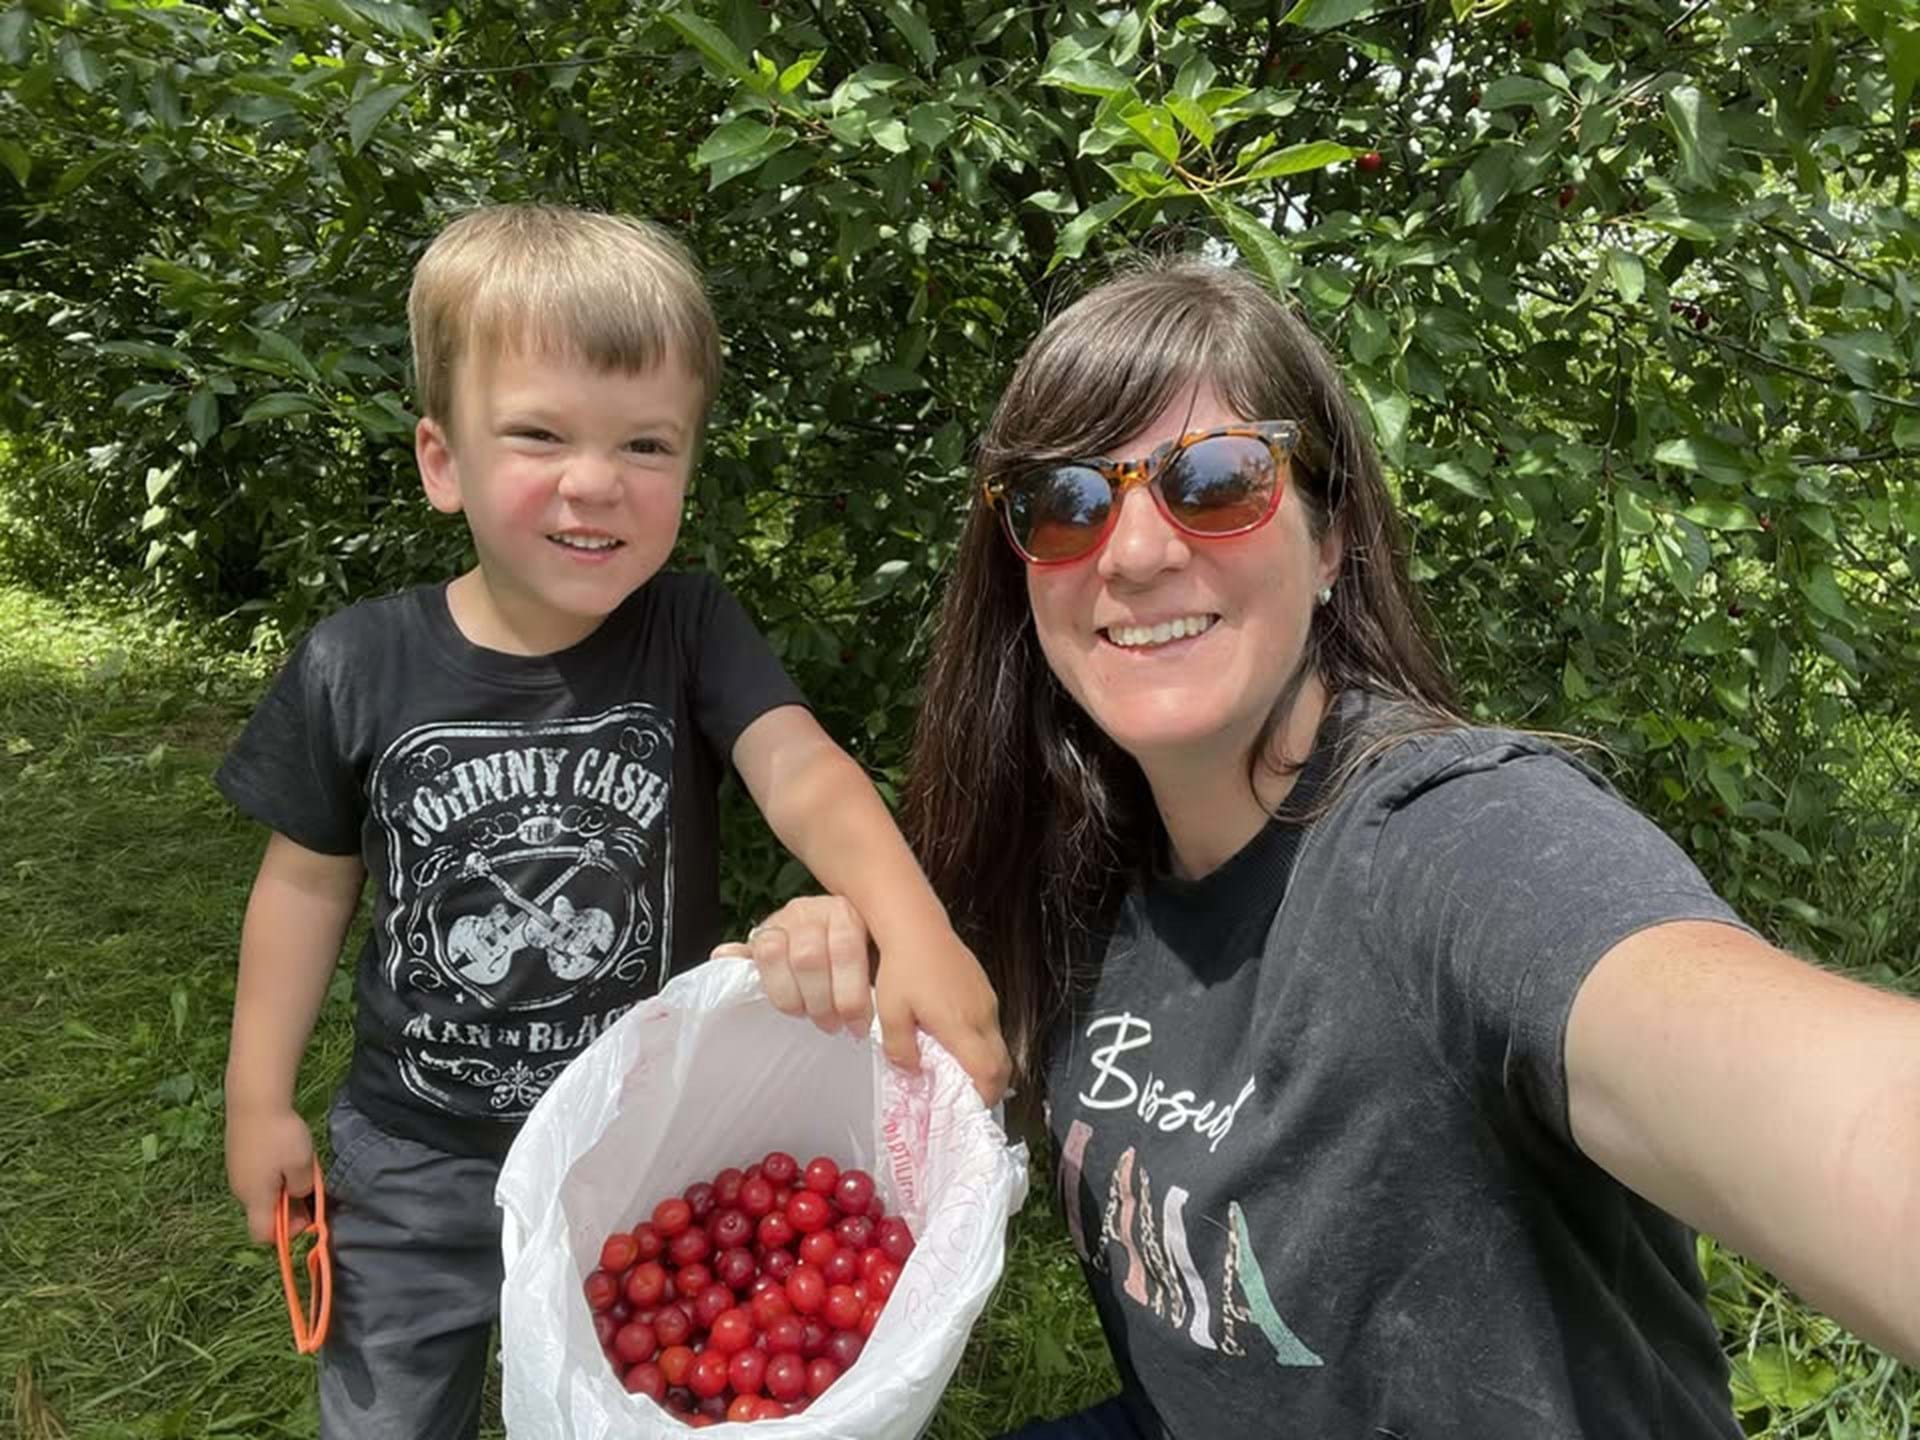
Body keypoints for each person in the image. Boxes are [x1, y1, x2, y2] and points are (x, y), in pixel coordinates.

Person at [739, 258, 1920, 1438]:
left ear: (1332, 537)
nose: (1135, 552)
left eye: (1214, 482)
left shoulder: (1456, 841)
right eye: (1068, 503)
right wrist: (848, 951)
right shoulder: (1087, 875)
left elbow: (1840, 1111)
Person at [214, 203, 1009, 1440]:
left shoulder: (688, 630)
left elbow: (799, 767)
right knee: (389, 1414)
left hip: (632, 1146)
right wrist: (258, 1097)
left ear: (687, 466)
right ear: (442, 460)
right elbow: (305, 887)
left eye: (646, 444)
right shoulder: (353, 666)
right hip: (418, 1151)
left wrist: (916, 928)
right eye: (537, 434)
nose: (596, 482)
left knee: (637, 1392)